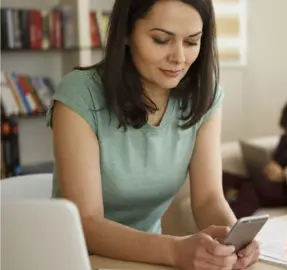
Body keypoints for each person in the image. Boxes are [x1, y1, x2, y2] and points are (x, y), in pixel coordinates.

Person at [47, 0, 258, 269]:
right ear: (125, 33)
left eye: (192, 42)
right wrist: (175, 250)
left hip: (150, 260)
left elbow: (208, 199)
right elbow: (87, 223)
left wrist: (234, 241)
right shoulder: (79, 94)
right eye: (161, 40)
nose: (179, 58)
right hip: (78, 259)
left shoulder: (205, 95)